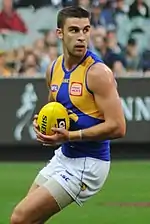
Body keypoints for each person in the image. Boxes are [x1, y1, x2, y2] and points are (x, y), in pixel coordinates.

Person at [10, 6, 126, 224]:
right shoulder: (53, 68)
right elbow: (54, 109)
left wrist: (70, 136)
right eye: (74, 30)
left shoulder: (98, 73)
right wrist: (42, 123)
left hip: (89, 163)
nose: (82, 37)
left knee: (19, 218)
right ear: (59, 33)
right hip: (64, 156)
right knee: (28, 220)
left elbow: (118, 127)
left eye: (86, 30)